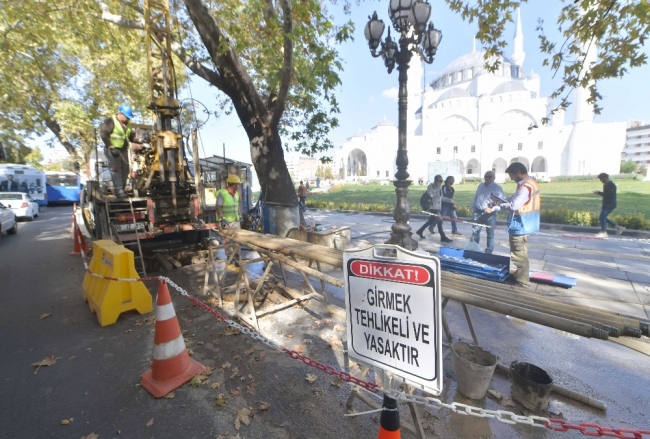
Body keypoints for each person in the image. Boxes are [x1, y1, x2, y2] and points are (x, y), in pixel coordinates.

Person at [486, 162, 539, 287]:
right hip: (524, 224)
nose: (511, 178)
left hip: (520, 224)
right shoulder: (528, 183)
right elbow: (514, 200)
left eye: (512, 176)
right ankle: (521, 276)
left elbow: (514, 206)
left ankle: (522, 281)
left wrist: (499, 205)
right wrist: (500, 200)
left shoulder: (525, 186)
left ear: (519, 172)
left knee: (519, 255)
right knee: (521, 253)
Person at [99, 104, 142, 198]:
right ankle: (119, 191)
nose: (128, 119)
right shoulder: (111, 121)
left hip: (123, 150)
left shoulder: (128, 124)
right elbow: (103, 134)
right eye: (127, 117)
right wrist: (110, 147)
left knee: (125, 170)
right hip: (112, 150)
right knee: (116, 170)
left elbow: (130, 138)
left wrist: (140, 141)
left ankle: (121, 190)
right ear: (120, 114)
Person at [471, 171, 506, 254]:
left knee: (490, 233)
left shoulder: (497, 188)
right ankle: (475, 249)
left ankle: (488, 250)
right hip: (478, 212)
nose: (487, 178)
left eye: (490, 177)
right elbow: (476, 197)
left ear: (494, 178)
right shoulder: (480, 186)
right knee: (475, 232)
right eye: (486, 176)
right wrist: (473, 208)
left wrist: (492, 209)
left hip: (490, 214)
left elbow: (502, 202)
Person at [415, 174, 453, 243]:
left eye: (442, 181)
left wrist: (449, 200)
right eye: (440, 180)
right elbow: (431, 195)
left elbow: (441, 198)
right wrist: (437, 189)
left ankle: (420, 231)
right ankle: (443, 236)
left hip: (438, 207)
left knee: (430, 221)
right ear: (436, 180)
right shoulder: (431, 186)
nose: (441, 182)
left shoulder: (440, 187)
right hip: (432, 207)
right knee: (440, 221)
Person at [216, 174, 243, 265]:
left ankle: (237, 256)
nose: (238, 186)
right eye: (237, 184)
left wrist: (240, 215)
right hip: (226, 222)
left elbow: (237, 206)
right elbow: (218, 206)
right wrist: (222, 218)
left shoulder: (237, 195)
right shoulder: (222, 193)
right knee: (226, 240)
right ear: (233, 184)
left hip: (235, 221)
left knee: (237, 239)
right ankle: (229, 257)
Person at [593, 173, 625, 238]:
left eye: (601, 179)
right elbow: (606, 195)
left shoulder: (611, 185)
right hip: (606, 204)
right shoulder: (606, 185)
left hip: (610, 204)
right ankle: (618, 227)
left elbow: (608, 195)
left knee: (602, 217)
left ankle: (604, 232)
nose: (600, 180)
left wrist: (599, 193)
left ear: (605, 178)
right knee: (602, 217)